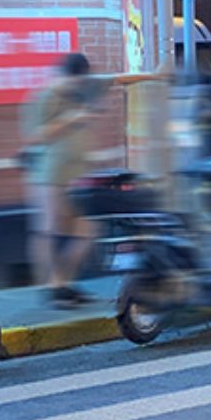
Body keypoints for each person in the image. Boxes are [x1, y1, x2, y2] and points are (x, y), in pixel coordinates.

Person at [20, 51, 161, 307]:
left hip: (79, 176)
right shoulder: (44, 98)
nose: (76, 87)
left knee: (87, 232)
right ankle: (51, 288)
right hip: (50, 174)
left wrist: (154, 75)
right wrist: (71, 119)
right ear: (61, 75)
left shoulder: (86, 85)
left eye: (80, 82)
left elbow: (119, 78)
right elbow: (34, 137)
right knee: (49, 229)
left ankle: (63, 283)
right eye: (72, 82)